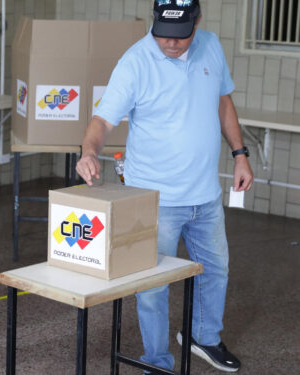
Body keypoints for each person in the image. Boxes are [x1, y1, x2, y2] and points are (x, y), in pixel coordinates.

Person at [75, 1, 253, 373]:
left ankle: (203, 338)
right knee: (153, 286)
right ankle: (156, 361)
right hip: (154, 200)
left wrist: (240, 153)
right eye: (163, 36)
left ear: (197, 22)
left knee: (215, 270)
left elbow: (223, 101)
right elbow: (102, 119)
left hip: (205, 195)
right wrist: (89, 151)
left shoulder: (211, 46)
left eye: (181, 36)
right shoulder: (135, 62)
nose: (171, 45)